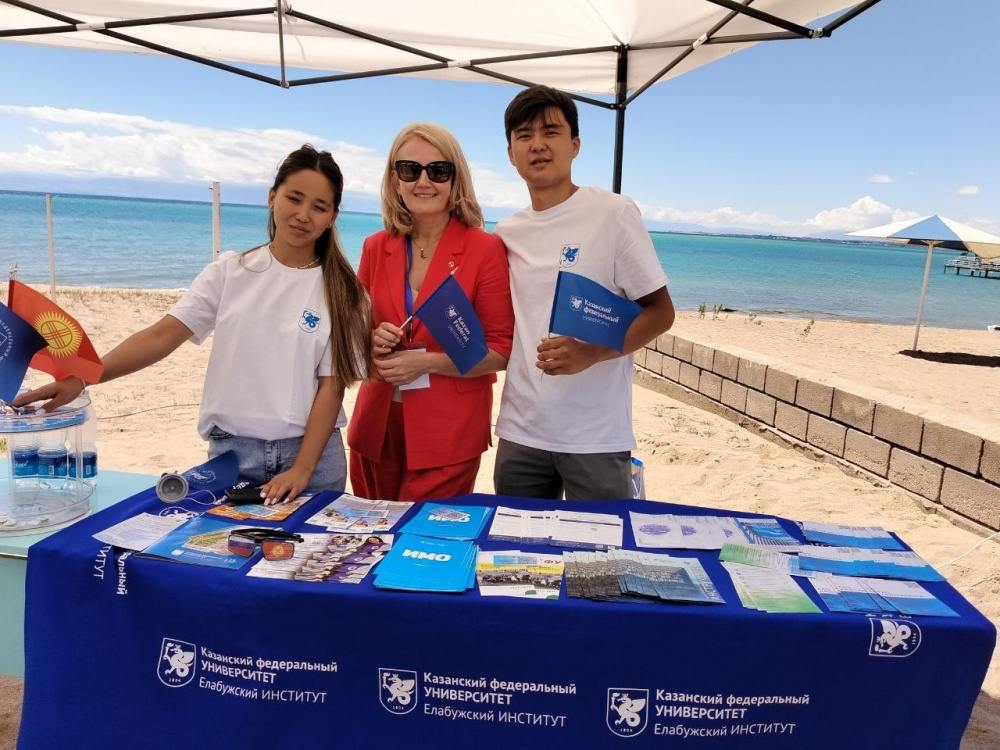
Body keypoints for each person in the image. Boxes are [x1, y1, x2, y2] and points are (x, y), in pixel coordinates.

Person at [14, 145, 370, 504]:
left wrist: (302, 470)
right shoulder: (231, 271)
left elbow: (332, 387)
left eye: (319, 207)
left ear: (332, 217)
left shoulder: (344, 292)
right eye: (294, 198)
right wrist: (83, 376)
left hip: (312, 461)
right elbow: (162, 335)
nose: (303, 215)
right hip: (233, 458)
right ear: (272, 197)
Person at [493, 85, 675, 500]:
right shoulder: (506, 233)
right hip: (521, 430)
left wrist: (590, 353)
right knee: (517, 558)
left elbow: (660, 313)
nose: (537, 144)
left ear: (574, 145)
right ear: (510, 153)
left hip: (595, 436)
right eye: (524, 135)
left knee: (599, 561)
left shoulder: (613, 213)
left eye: (550, 131)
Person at [347, 123, 514, 501]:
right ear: (395, 179)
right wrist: (372, 339)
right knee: (371, 542)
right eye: (410, 169)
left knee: (422, 546)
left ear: (455, 180)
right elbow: (352, 332)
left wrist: (426, 363)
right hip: (377, 424)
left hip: (448, 430)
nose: (424, 181)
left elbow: (500, 351)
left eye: (438, 170)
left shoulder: (484, 249)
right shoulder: (376, 246)